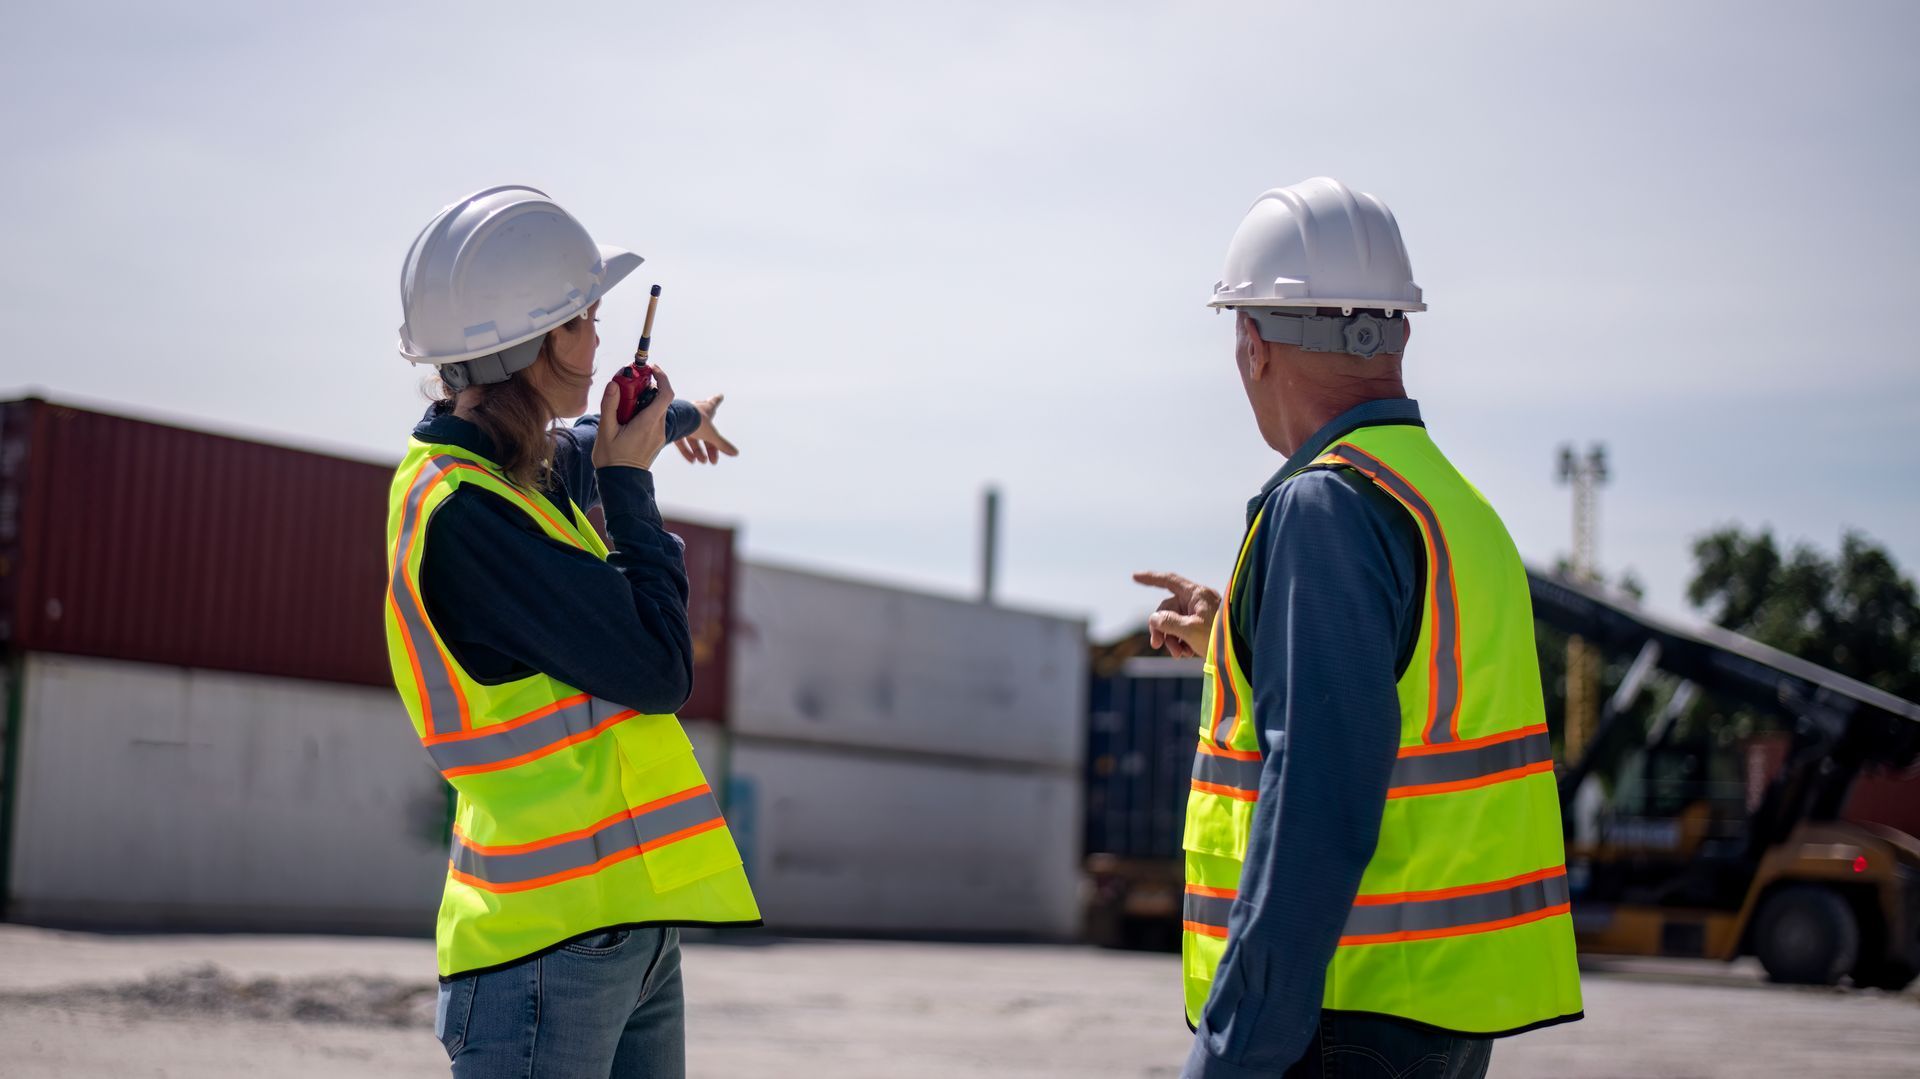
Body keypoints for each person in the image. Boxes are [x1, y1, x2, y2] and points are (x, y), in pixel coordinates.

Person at [1136, 177, 1583, 1079]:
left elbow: (1319, 796)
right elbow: (1407, 703)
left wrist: (1235, 1044)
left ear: (1252, 344)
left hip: (1336, 1019)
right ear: (1400, 332)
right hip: (1437, 1013)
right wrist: (1243, 639)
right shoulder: (1450, 506)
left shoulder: (1325, 503)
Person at [384, 185, 760, 1078]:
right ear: (532, 345)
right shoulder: (470, 517)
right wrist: (632, 489)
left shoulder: (513, 466)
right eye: (586, 319)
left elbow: (590, 435)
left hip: (620, 934)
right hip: (544, 948)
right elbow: (660, 670)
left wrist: (677, 418)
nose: (600, 340)